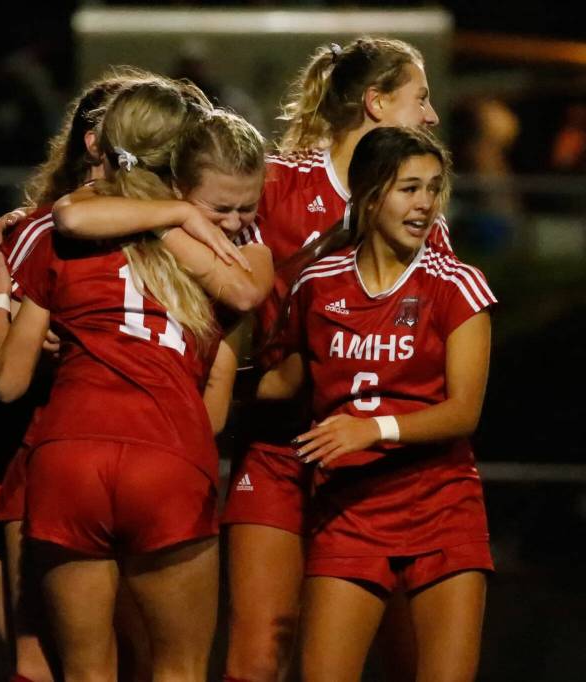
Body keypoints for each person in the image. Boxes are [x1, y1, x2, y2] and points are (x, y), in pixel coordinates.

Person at [0, 79, 271, 682]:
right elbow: (241, 306)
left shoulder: (56, 232)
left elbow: (8, 383)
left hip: (67, 455)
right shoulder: (220, 246)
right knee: (179, 668)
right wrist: (186, 218)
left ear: (100, 144)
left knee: (82, 670)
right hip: (166, 448)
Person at [220, 37, 447, 682]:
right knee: (258, 657)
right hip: (278, 447)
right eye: (420, 98)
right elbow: (177, 221)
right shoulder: (274, 182)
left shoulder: (422, 208)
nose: (431, 116)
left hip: (377, 460)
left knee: (400, 659)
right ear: (375, 104)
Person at [259, 125, 495, 682]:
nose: (425, 204)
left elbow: (465, 411)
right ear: (368, 195)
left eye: (433, 188)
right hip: (350, 511)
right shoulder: (319, 282)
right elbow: (286, 380)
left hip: (441, 508)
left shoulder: (458, 285)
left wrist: (373, 429)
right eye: (408, 188)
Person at [0, 72, 135, 682]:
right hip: (7, 450)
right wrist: (4, 307)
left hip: (77, 457)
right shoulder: (40, 229)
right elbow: (8, 374)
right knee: (37, 663)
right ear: (95, 145)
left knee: (98, 658)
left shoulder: (168, 232)